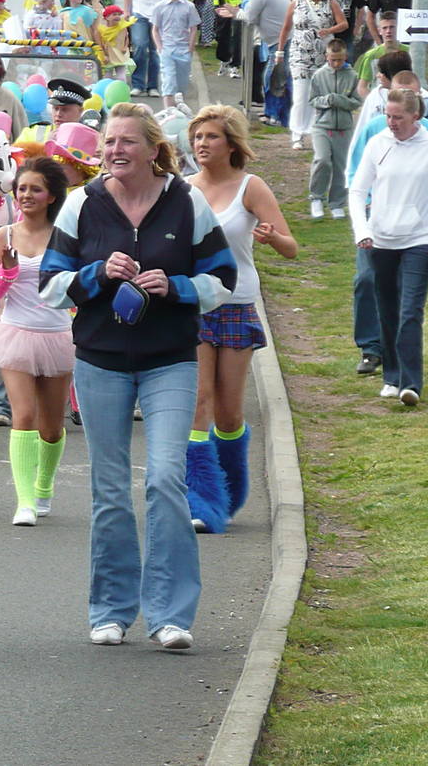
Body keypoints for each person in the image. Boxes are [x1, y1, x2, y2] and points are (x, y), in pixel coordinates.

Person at [39, 101, 236, 650]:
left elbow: (224, 278)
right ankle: (112, 609)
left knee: (165, 477)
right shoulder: (82, 204)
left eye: (127, 142)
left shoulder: (186, 203)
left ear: (154, 149)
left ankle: (171, 614)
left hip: (170, 359)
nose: (115, 151)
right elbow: (51, 287)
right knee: (109, 488)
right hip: (99, 360)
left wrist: (176, 287)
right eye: (108, 142)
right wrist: (97, 273)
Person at [184, 105, 296, 533]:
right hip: (194, 304)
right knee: (198, 402)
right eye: (197, 137)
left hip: (236, 304)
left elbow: (291, 248)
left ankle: (229, 490)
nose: (201, 144)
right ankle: (201, 499)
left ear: (231, 144)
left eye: (210, 137)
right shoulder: (183, 189)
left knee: (229, 414)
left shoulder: (250, 186)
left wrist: (271, 237)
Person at [348, 88, 428, 407]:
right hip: (381, 238)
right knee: (388, 309)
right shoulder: (378, 143)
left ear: (415, 116)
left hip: (420, 238)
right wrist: (362, 230)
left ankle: (411, 383)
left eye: (398, 117)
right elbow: (357, 190)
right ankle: (391, 376)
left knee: (411, 310)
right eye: (388, 116)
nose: (391, 123)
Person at [0, 157, 73, 524]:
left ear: (51, 196)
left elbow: (77, 289)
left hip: (56, 337)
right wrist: (8, 271)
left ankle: (44, 485)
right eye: (21, 189)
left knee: (50, 426)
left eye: (35, 189)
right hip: (15, 335)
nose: (26, 195)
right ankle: (24, 502)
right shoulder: (4, 236)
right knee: (23, 415)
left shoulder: (66, 236)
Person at [277, 0, 347, 150]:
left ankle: (317, 131)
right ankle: (297, 133)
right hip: (300, 53)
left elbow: (343, 23)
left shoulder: (330, 3)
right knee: (300, 94)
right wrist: (279, 51)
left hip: (322, 55)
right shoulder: (296, 3)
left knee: (319, 94)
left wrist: (329, 31)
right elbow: (285, 28)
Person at [216, 0, 289, 117]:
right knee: (272, 76)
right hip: (279, 39)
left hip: (279, 41)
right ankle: (274, 112)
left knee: (271, 77)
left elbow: (249, 17)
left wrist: (235, 11)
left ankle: (274, 114)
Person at [308, 39, 361, 219]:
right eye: (332, 60)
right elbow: (312, 100)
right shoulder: (319, 75)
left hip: (344, 128)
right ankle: (316, 197)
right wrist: (327, 101)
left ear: (345, 57)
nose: (336, 64)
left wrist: (341, 101)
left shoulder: (352, 75)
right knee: (322, 160)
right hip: (322, 126)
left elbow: (356, 101)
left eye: (339, 60)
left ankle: (337, 203)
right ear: (326, 57)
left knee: (341, 166)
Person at [151, 0, 200, 111]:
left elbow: (193, 28)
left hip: (183, 49)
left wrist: (190, 47)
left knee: (181, 82)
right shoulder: (159, 7)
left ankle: (179, 108)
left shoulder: (189, 7)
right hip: (167, 48)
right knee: (169, 80)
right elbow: (155, 29)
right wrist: (160, 47)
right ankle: (168, 111)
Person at [355, 11, 409, 98]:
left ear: (399, 28)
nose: (388, 31)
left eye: (392, 27)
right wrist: (375, 102)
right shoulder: (371, 56)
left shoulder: (409, 52)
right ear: (379, 31)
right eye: (385, 28)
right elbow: (362, 87)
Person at [97, 5, 136, 81]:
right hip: (108, 56)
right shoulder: (101, 30)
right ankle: (107, 91)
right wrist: (103, 54)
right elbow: (100, 44)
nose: (117, 16)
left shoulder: (122, 28)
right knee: (107, 76)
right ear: (106, 17)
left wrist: (125, 47)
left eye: (119, 14)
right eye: (114, 14)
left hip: (120, 55)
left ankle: (121, 90)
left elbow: (126, 38)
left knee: (121, 77)